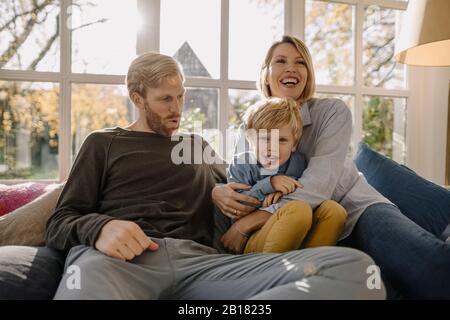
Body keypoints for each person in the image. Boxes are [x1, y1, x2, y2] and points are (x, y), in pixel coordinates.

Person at [45, 52, 384, 300]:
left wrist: (218, 191)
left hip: (203, 265)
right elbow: (60, 221)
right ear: (137, 99)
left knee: (355, 270)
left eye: (181, 97)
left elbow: (241, 185)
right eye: (165, 99)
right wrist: (100, 227)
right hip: (121, 264)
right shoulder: (104, 143)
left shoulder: (197, 145)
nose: (177, 108)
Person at [212, 35, 450, 299]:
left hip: (356, 209)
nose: (291, 67)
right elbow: (240, 181)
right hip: (303, 229)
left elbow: (320, 182)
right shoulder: (250, 127)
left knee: (425, 261)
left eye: (300, 62)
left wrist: (247, 224)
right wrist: (218, 191)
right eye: (280, 61)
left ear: (307, 74)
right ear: (266, 74)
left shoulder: (331, 112)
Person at [224, 97, 347, 254]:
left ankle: (309, 268)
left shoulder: (297, 162)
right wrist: (270, 184)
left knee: (334, 210)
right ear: (250, 140)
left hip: (294, 232)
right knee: (298, 209)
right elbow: (238, 210)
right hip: (251, 237)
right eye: (264, 139)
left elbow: (303, 191)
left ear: (294, 144)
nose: (272, 148)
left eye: (281, 140)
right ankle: (270, 272)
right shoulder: (242, 164)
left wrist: (282, 193)